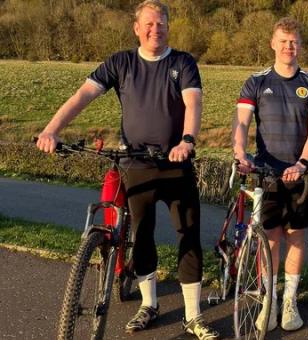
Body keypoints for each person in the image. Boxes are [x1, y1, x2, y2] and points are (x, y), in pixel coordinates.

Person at [36, 1, 218, 339]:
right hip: (136, 164)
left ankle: (193, 315)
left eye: (161, 23)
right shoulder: (121, 63)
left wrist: (187, 140)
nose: (155, 29)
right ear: (137, 27)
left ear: (168, 27)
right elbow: (82, 96)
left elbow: (194, 102)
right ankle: (149, 304)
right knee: (142, 235)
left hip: (176, 164)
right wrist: (52, 129)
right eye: (149, 23)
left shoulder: (182, 62)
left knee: (188, 236)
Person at [232, 17, 308, 332]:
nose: (289, 47)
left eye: (294, 42)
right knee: (270, 240)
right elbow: (242, 124)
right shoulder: (256, 82)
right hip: (266, 174)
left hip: (300, 173)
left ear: (300, 45)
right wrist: (240, 153)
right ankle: (269, 301)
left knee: (296, 237)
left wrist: (302, 163)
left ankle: (289, 301)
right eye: (283, 41)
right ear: (273, 43)